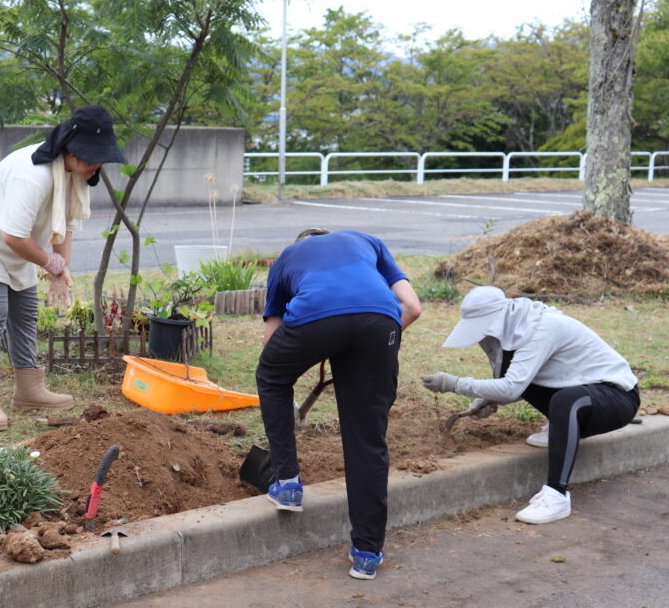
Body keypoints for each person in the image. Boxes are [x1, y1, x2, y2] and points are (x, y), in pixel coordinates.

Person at [0, 105, 127, 431]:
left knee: (25, 311)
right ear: (69, 148)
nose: (95, 163)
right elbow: (12, 235)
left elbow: (66, 225)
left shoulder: (76, 174)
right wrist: (50, 263)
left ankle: (29, 389)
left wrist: (62, 271)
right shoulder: (33, 174)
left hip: (19, 242)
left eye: (100, 156)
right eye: (89, 155)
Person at [256, 228, 422, 580]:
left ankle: (286, 484)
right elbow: (412, 307)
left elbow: (272, 344)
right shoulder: (368, 241)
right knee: (367, 438)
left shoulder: (287, 257)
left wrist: (317, 345)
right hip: (380, 322)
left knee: (270, 376)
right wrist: (365, 347)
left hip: (315, 317)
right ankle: (367, 553)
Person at [421, 286, 640, 524]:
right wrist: (491, 398)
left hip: (617, 397)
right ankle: (562, 431)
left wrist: (454, 384)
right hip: (586, 396)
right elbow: (518, 382)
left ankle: (557, 494)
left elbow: (513, 387)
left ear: (497, 319)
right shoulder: (517, 328)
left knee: (566, 401)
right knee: (534, 385)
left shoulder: (541, 327)